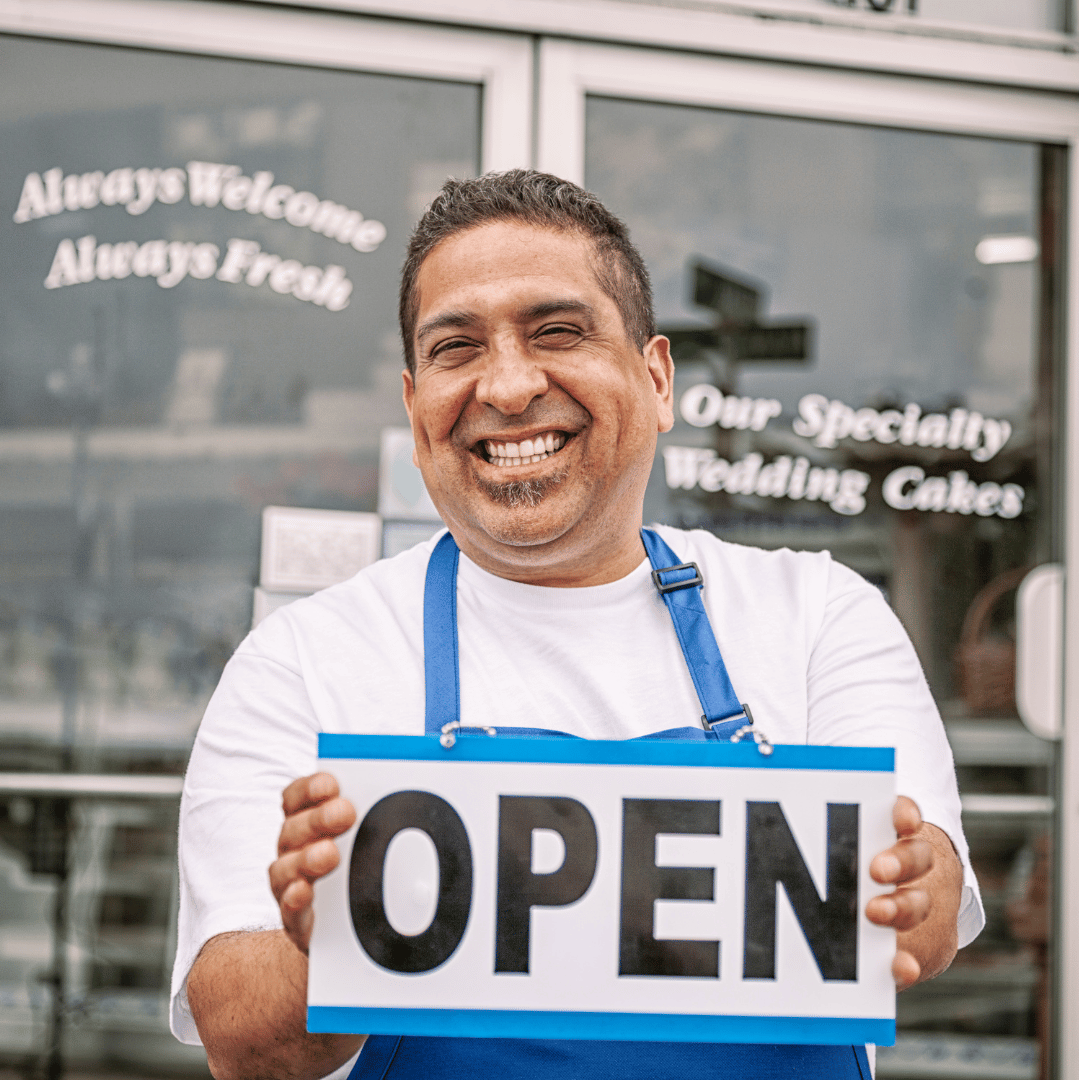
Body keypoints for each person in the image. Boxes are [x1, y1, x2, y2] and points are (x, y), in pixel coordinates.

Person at [170, 170, 981, 1080]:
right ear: (414, 403)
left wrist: (911, 888)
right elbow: (240, 1039)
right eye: (456, 348)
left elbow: (931, 918)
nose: (508, 387)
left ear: (658, 378)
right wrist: (335, 947)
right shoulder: (304, 660)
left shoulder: (817, 614)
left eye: (557, 331)